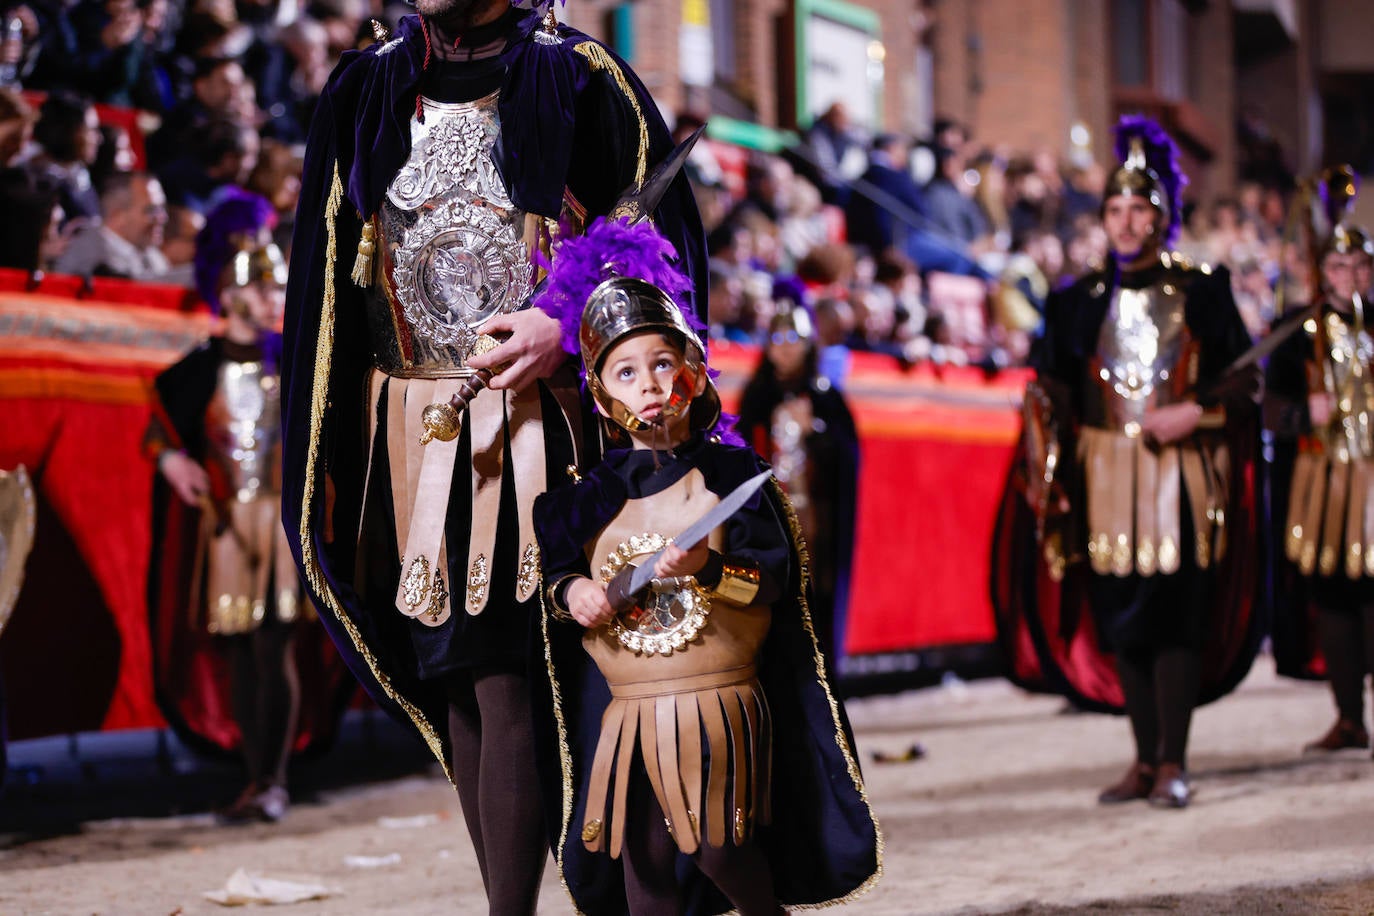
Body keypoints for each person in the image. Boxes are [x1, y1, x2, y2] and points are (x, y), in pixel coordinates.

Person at [278, 2, 704, 912]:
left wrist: (568, 321)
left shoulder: (586, 80)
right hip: (411, 435)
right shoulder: (365, 87)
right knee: (465, 683)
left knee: (514, 675)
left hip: (547, 435)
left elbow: (661, 257)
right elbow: (328, 294)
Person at [533, 217, 879, 915]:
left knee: (716, 845)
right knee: (642, 852)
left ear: (691, 371)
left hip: (713, 699)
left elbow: (772, 582)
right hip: (626, 709)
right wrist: (572, 592)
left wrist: (708, 570)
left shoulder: (730, 474)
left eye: (663, 363)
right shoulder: (586, 494)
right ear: (602, 393)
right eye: (627, 372)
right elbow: (555, 572)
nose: (650, 385)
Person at [994, 116, 1263, 809]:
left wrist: (1194, 412)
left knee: (1176, 617)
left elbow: (1242, 384)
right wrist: (1048, 465)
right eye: (1114, 209)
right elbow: (1048, 390)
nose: (1124, 221)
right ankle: (1143, 760)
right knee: (1123, 620)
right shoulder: (1075, 301)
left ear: (1161, 215)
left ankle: (1173, 761)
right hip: (1101, 478)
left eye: (1138, 208)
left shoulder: (1203, 288)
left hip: (1181, 475)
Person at [144, 193, 304, 822]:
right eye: (264, 291)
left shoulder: (290, 363)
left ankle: (274, 779)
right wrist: (169, 460)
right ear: (233, 294)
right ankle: (252, 777)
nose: (273, 302)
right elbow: (160, 427)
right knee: (242, 652)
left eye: (278, 291)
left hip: (280, 523)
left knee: (275, 649)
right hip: (228, 529)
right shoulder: (197, 370)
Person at [1266, 168, 1374, 753]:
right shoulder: (1295, 330)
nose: (1349, 278)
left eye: (1360, 268)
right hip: (1324, 477)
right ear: (1322, 272)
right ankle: (1349, 716)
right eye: (1337, 268)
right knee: (1334, 594)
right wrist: (1301, 414)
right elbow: (1265, 405)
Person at [736, 301, 860, 658]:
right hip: (769, 517)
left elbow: (848, 457)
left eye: (794, 337)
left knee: (815, 596)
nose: (786, 345)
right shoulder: (756, 396)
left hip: (816, 521)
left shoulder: (825, 397)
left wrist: (817, 433)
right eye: (777, 337)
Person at [53, 171, 172, 280]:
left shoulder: (151, 254)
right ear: (117, 216)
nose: (163, 217)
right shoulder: (89, 258)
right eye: (151, 210)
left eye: (162, 209)